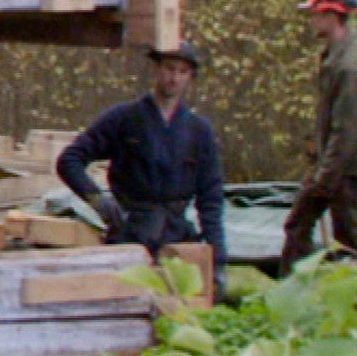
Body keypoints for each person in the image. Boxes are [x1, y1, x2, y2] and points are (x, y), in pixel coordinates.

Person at [55, 42, 228, 287]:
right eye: (169, 68)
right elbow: (69, 160)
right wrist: (98, 200)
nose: (174, 78)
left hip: (176, 239)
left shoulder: (199, 131)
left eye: (182, 72)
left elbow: (211, 198)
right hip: (130, 232)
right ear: (156, 69)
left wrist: (217, 260)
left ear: (191, 78)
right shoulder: (124, 118)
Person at [272, 0, 357, 272]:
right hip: (334, 168)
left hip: (343, 171)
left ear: (332, 15)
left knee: (351, 244)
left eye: (315, 13)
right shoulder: (337, 57)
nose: (312, 20)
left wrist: (325, 178)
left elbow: (349, 130)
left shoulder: (350, 66)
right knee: (300, 227)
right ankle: (300, 291)